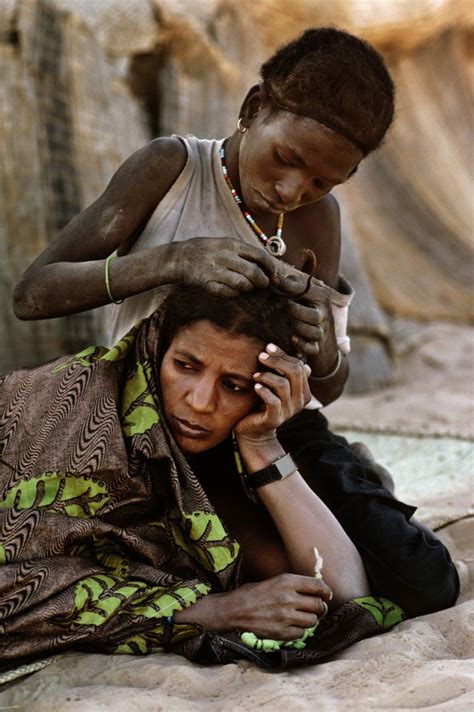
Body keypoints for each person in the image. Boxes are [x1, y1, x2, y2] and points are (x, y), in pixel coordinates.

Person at [0, 285, 459, 668]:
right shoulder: (74, 411)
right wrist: (218, 609)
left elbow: (342, 594)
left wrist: (263, 445)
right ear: (157, 348)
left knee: (418, 573)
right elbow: (15, 584)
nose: (199, 401)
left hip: (272, 440)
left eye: (234, 385)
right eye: (185, 366)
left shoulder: (229, 450)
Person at [12, 27, 397, 407]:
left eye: (322, 182)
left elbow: (327, 391)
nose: (291, 192)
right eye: (285, 158)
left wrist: (325, 346)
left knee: (336, 466)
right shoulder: (171, 169)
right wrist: (175, 260)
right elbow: (32, 296)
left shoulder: (319, 219)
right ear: (253, 108)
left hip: (251, 437)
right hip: (143, 419)